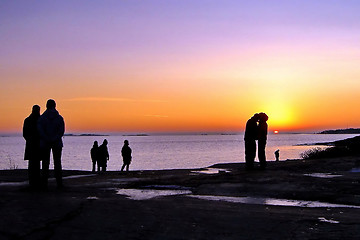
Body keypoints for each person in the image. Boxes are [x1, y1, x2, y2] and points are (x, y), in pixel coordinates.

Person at [38, 99, 65, 189]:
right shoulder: (60, 118)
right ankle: (59, 183)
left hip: (45, 143)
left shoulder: (42, 118)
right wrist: (54, 138)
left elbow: (40, 130)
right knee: (57, 163)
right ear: (55, 106)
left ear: (46, 106)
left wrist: (47, 138)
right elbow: (61, 131)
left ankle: (44, 183)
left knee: (45, 163)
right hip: (57, 143)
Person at [23, 105, 41, 189]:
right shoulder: (40, 120)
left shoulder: (27, 120)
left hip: (31, 144)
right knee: (36, 164)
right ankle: (36, 181)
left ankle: (32, 181)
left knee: (32, 164)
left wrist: (29, 140)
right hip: (37, 144)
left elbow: (25, 134)